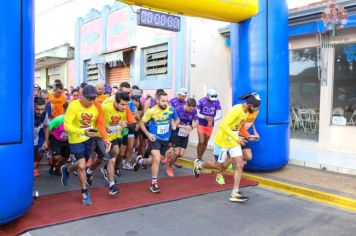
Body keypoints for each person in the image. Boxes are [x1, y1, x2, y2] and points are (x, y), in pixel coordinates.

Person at [193, 92, 261, 202]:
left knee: (240, 164)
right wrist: (236, 138)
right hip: (223, 141)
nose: (256, 109)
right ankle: (199, 164)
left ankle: (234, 193)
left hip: (233, 141)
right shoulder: (236, 110)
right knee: (219, 166)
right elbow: (223, 125)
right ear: (249, 105)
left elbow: (241, 126)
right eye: (255, 107)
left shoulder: (246, 112)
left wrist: (248, 136)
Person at [61, 85, 110, 205]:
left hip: (89, 138)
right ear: (82, 96)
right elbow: (67, 126)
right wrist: (83, 131)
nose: (91, 102)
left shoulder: (96, 105)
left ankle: (67, 170)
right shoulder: (73, 105)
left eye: (93, 100)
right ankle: (84, 192)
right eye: (89, 100)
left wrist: (105, 139)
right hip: (76, 138)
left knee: (81, 163)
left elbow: (100, 124)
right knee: (82, 166)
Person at [89, 92, 136, 195]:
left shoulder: (126, 109)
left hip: (113, 137)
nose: (125, 107)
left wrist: (126, 124)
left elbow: (133, 125)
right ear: (116, 102)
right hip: (101, 137)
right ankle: (112, 185)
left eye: (126, 104)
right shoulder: (105, 108)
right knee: (112, 159)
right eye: (122, 104)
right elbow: (95, 121)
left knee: (102, 159)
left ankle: (89, 171)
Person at [133, 91, 180, 193]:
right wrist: (148, 134)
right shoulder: (151, 111)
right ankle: (154, 183)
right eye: (163, 101)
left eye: (167, 101)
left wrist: (175, 124)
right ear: (157, 100)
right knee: (157, 158)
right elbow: (141, 123)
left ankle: (141, 161)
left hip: (165, 139)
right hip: (154, 138)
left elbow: (177, 119)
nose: (165, 103)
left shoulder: (171, 109)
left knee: (158, 160)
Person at [166, 98, 198, 177]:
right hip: (176, 132)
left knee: (180, 154)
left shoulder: (194, 110)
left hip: (185, 134)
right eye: (190, 109)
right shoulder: (177, 109)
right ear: (186, 104)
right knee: (176, 153)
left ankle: (169, 156)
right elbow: (172, 122)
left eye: (192, 109)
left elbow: (197, 121)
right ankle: (169, 167)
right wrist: (183, 126)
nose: (191, 111)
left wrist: (191, 127)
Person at [196, 88, 222, 161]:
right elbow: (197, 113)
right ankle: (198, 158)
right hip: (201, 124)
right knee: (201, 141)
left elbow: (220, 115)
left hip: (210, 125)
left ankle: (201, 157)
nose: (212, 99)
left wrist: (211, 119)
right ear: (207, 95)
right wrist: (205, 117)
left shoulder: (217, 102)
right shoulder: (201, 101)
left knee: (205, 142)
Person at [48, 103, 70, 176]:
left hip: (67, 141)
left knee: (65, 158)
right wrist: (47, 141)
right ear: (64, 111)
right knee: (57, 157)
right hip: (56, 140)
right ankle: (53, 166)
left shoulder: (75, 120)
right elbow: (48, 128)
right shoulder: (59, 119)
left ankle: (57, 168)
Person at [34, 97, 50, 177]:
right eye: (37, 109)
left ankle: (35, 168)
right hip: (24, 142)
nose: (40, 112)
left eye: (42, 109)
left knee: (36, 158)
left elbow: (47, 126)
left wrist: (46, 141)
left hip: (35, 140)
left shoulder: (44, 113)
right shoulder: (26, 113)